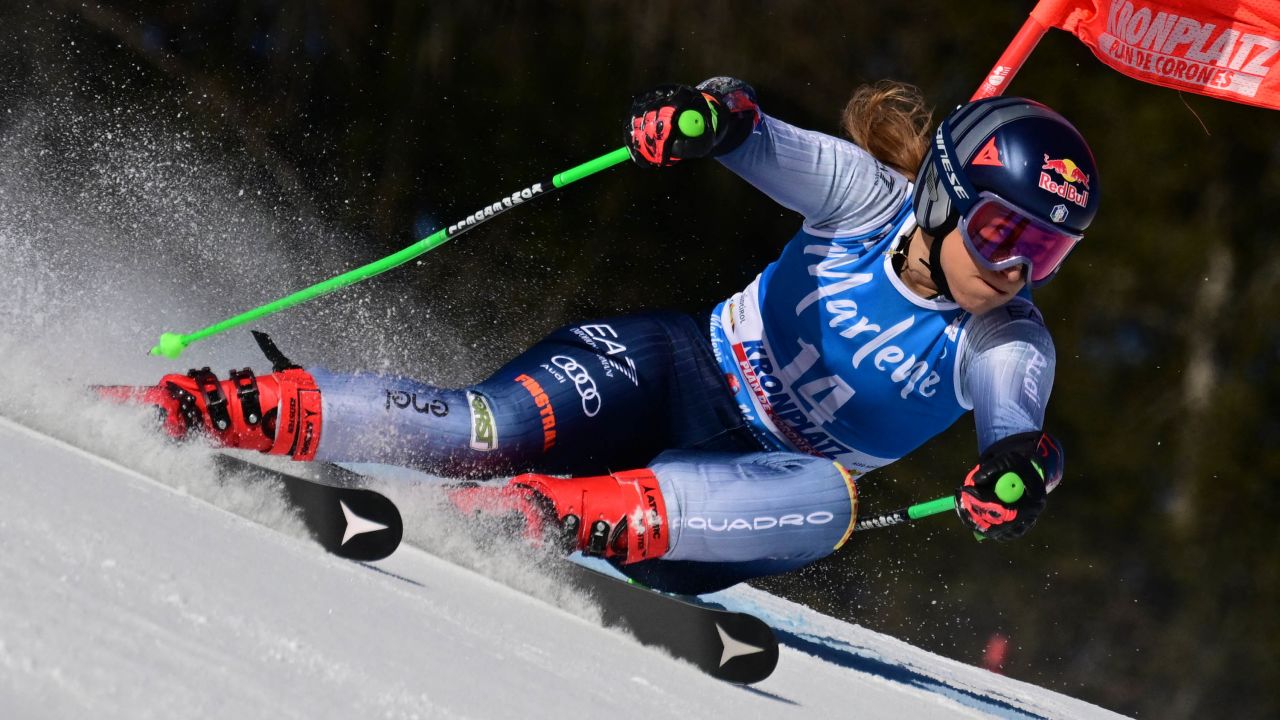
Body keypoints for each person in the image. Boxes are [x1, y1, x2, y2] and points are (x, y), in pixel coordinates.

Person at [104, 77, 1098, 594]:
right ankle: (194, 407)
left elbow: (1020, 436)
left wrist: (1014, 475)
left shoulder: (1007, 341)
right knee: (474, 429)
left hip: (744, 495)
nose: (1014, 266)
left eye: (1045, 254)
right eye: (1001, 230)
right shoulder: (866, 199)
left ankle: (537, 518)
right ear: (939, 195)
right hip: (674, 368)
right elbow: (747, 124)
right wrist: (699, 118)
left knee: (824, 499)